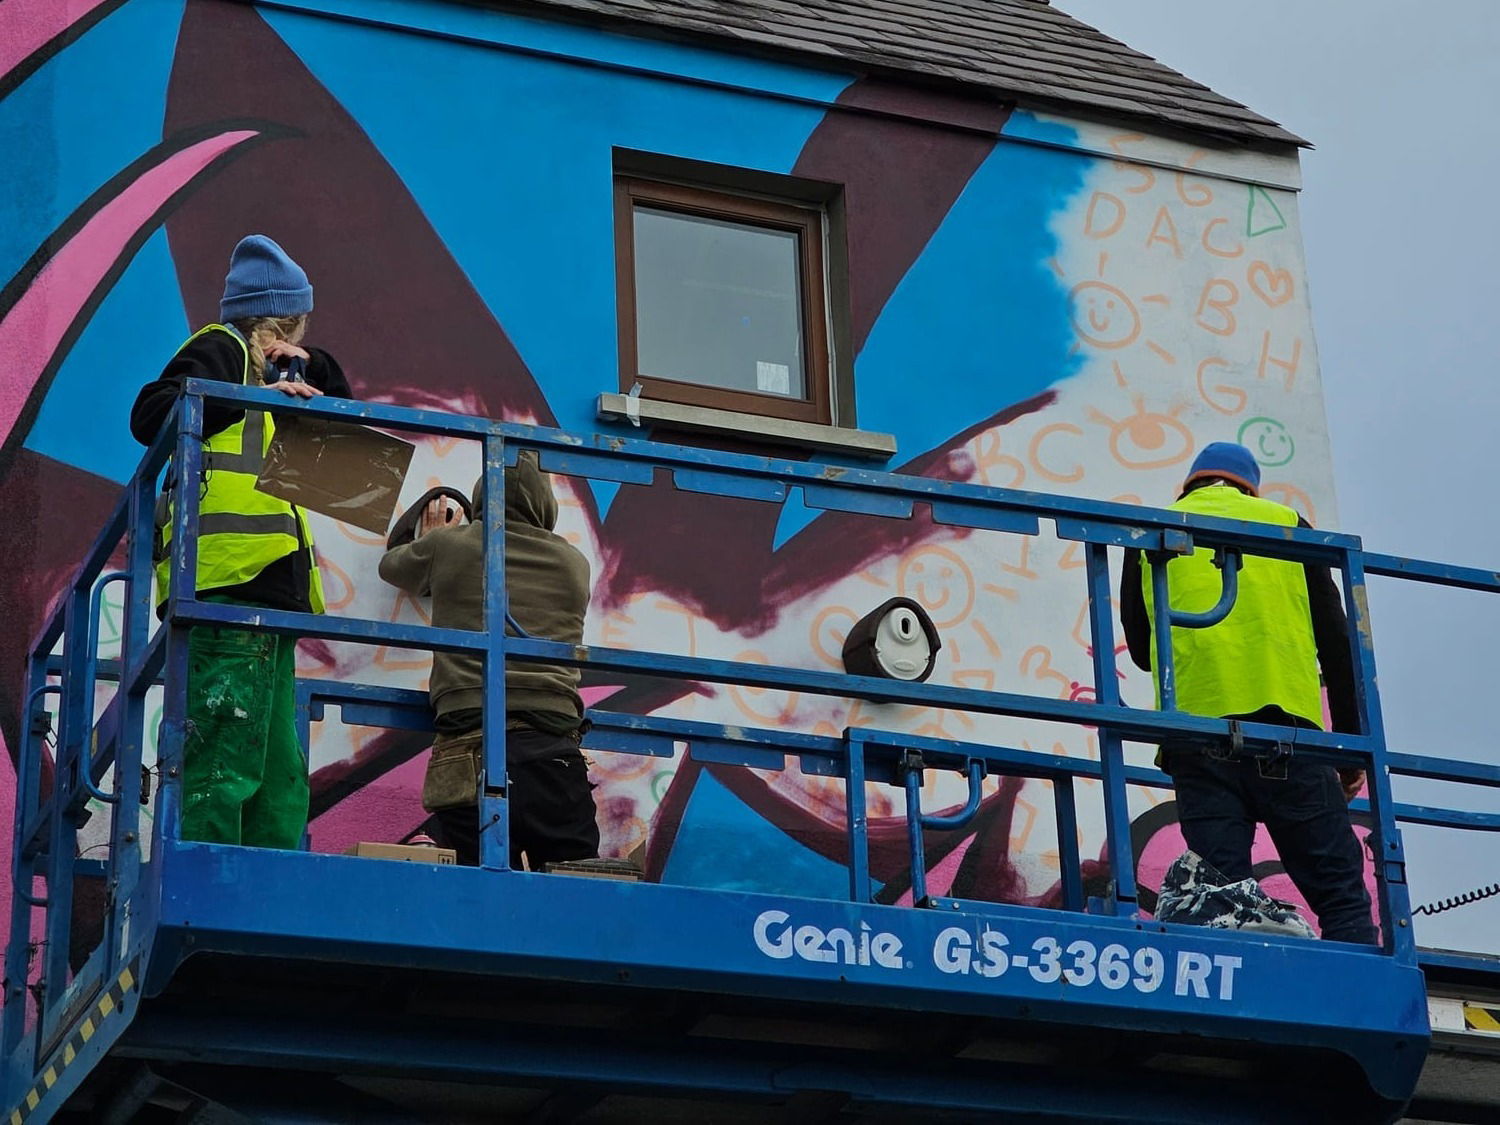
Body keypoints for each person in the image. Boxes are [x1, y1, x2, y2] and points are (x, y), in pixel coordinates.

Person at [130, 234, 350, 849]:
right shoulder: (220, 349)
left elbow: (348, 413)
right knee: (225, 762)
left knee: (279, 773)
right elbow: (150, 414)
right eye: (295, 328)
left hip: (267, 594)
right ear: (276, 321)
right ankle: (207, 882)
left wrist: (309, 371)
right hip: (226, 588)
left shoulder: (272, 373)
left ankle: (267, 890)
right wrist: (253, 395)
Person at [1118, 442, 1377, 944]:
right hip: (1291, 734)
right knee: (1340, 896)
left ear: (1190, 484)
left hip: (1197, 734)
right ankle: (1359, 990)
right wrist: (1349, 751)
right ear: (1249, 487)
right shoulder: (1286, 523)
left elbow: (1143, 648)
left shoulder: (1152, 528)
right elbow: (1337, 643)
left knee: (1218, 894)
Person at [379, 452, 600, 869]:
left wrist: (433, 539)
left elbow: (393, 566)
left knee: (475, 895)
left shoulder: (452, 544)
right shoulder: (575, 563)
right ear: (544, 504)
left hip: (469, 746)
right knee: (572, 893)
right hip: (554, 751)